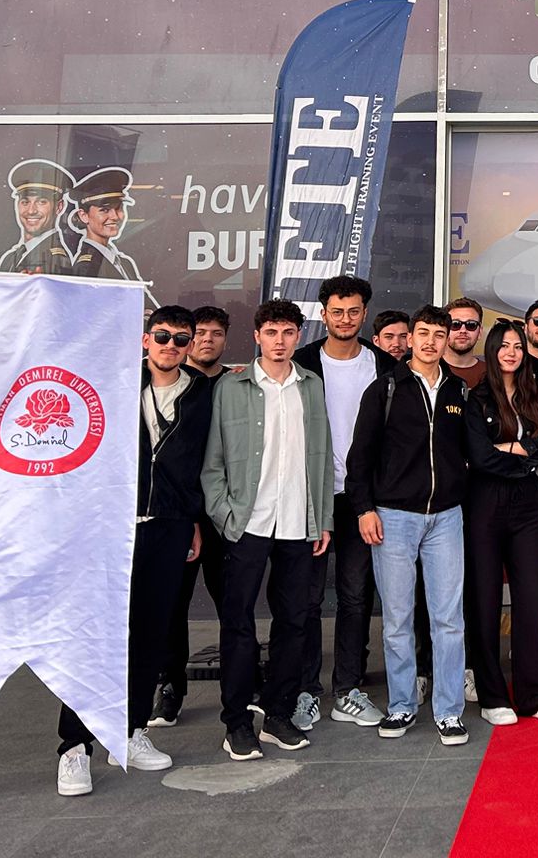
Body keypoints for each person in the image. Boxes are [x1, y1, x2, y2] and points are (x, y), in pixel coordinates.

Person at [56, 305, 215, 794]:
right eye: (162, 336)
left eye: (181, 339)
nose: (171, 346)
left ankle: (129, 731)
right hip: (108, 525)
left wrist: (192, 520)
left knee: (150, 633)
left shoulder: (203, 393)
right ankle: (74, 747)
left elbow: (199, 461)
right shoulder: (112, 384)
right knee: (95, 634)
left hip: (169, 525)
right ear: (146, 340)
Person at [200, 300, 332, 763]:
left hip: (298, 521)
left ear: (299, 336)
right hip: (246, 524)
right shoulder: (231, 387)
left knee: (294, 622)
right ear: (257, 336)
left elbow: (322, 454)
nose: (280, 341)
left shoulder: (310, 386)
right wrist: (224, 515)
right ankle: (237, 723)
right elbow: (212, 461)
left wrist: (323, 518)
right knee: (238, 624)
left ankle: (278, 714)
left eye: (288, 332)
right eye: (272, 332)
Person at [347, 304, 470, 745]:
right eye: (424, 333)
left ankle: (449, 711)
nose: (431, 342)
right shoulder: (385, 389)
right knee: (398, 618)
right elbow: (359, 457)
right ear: (411, 338)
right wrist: (364, 508)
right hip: (393, 517)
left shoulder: (458, 390)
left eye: (439, 334)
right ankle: (401, 705)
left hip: (446, 517)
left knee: (448, 619)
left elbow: (467, 452)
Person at [288, 275, 383, 731]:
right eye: (337, 311)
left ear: (364, 313)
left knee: (355, 596)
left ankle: (347, 689)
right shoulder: (301, 362)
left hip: (362, 499)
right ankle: (306, 689)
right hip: (310, 496)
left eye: (353, 311)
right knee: (306, 598)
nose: (345, 319)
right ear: (323, 314)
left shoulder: (384, 365)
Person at [464, 321, 538, 725]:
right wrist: (527, 451)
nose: (511, 352)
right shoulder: (476, 398)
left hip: (526, 504)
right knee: (485, 600)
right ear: (492, 350)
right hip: (485, 504)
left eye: (518, 346)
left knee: (533, 597)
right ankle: (492, 697)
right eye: (504, 345)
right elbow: (479, 456)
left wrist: (510, 447)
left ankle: (535, 695)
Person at [155, 305, 231, 726]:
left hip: (222, 514)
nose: (205, 340)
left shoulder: (235, 385)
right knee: (171, 606)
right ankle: (170, 687)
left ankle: (241, 686)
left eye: (215, 333)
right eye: (198, 333)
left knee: (232, 603)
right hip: (177, 515)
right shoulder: (162, 384)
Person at [62, 166, 155, 304]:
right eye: (104, 210)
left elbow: (145, 305)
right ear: (84, 216)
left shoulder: (124, 263)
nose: (115, 216)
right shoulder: (87, 267)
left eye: (118, 208)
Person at [0, 158, 73, 274]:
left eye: (41, 202)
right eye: (25, 202)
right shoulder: (11, 258)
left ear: (59, 207)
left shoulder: (53, 260)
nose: (31, 211)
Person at [443, 297, 487, 389]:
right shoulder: (429, 370)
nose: (463, 330)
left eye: (471, 325)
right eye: (455, 324)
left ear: (480, 332)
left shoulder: (492, 375)